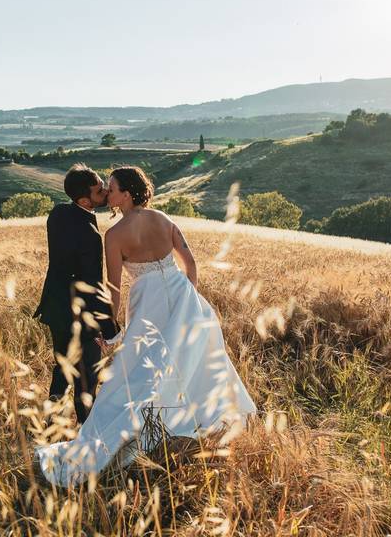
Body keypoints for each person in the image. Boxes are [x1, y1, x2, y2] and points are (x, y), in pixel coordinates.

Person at [35, 165, 256, 486]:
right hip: (185, 300)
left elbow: (111, 290)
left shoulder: (113, 235)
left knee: (140, 370)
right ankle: (195, 421)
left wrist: (111, 333)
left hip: (147, 306)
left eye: (111, 187)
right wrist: (187, 300)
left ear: (126, 193)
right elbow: (190, 264)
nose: (107, 192)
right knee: (193, 364)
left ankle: (144, 427)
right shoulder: (164, 220)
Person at [34, 164, 117, 423]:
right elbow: (92, 285)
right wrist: (109, 328)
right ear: (85, 200)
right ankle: (85, 427)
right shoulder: (90, 235)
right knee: (87, 376)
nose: (105, 192)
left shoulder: (58, 214)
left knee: (62, 368)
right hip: (80, 315)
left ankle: (49, 424)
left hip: (56, 308)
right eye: (99, 190)